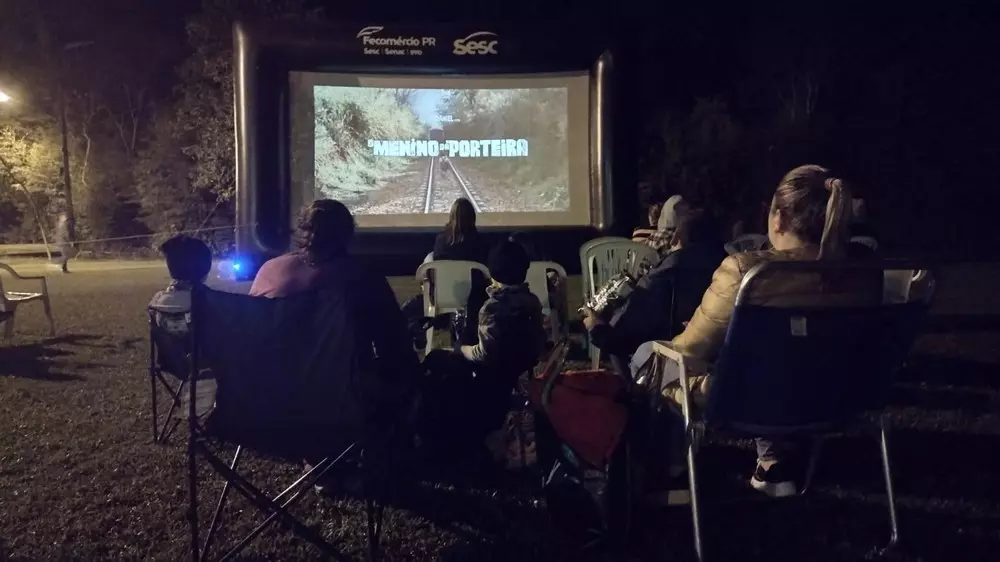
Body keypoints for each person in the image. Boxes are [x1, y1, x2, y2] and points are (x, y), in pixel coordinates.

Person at [651, 165, 881, 498]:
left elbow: (687, 351)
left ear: (778, 218)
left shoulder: (747, 272)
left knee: (653, 356)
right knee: (780, 357)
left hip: (744, 399)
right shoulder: (864, 270)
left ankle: (667, 473)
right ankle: (773, 467)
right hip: (837, 395)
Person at [250, 199, 420, 399]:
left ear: (300, 230)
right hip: (343, 400)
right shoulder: (363, 278)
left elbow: (251, 336)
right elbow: (394, 344)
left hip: (274, 397)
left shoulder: (270, 271)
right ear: (346, 235)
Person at [420, 239, 547, 459]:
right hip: (518, 370)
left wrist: (463, 350)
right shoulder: (532, 301)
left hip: (490, 377)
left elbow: (484, 353)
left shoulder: (493, 308)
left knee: (435, 360)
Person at [583, 212, 727, 376]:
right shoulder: (730, 273)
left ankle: (635, 395)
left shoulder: (666, 273)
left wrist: (596, 327)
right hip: (722, 366)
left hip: (677, 366)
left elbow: (622, 339)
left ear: (676, 239)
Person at [403, 198, 489, 349]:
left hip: (444, 297)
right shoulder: (481, 242)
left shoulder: (441, 240)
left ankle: (426, 326)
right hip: (474, 300)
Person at [148, 235, 213, 372]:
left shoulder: (157, 301)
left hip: (173, 365)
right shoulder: (209, 300)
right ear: (205, 269)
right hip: (208, 362)